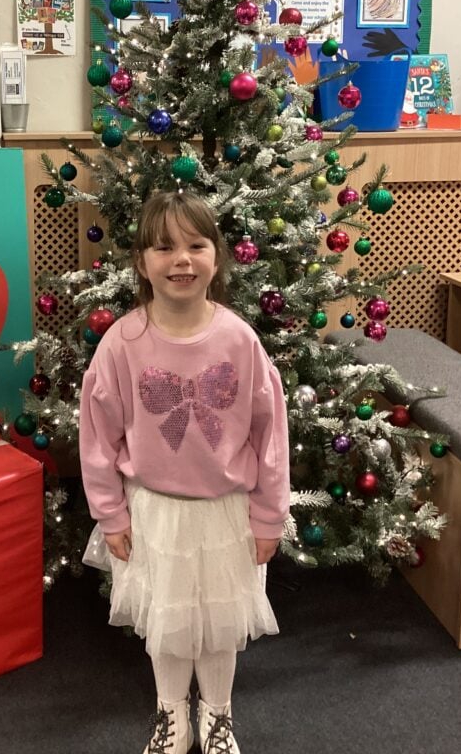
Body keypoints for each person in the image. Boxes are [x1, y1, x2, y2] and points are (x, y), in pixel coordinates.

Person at [79, 191, 290, 754]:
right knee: (168, 625)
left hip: (226, 511)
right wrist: (110, 514)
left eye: (196, 245)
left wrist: (271, 515)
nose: (182, 260)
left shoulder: (239, 340)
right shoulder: (121, 343)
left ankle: (217, 715)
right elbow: (99, 437)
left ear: (216, 257)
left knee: (220, 624)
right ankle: (171, 713)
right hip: (155, 512)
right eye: (164, 247)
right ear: (141, 262)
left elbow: (270, 434)